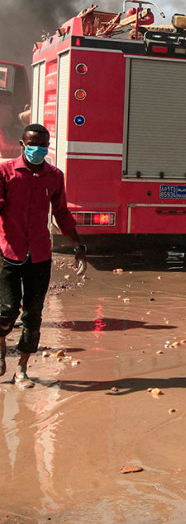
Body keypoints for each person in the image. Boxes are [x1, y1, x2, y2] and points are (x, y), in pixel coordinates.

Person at [0, 124, 86, 387]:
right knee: (6, 311)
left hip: (39, 255)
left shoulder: (54, 176)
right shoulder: (5, 172)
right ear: (22, 144)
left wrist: (78, 244)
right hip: (9, 253)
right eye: (32, 144)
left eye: (43, 145)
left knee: (33, 315)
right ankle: (1, 342)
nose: (38, 149)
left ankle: (22, 370)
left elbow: (61, 213)